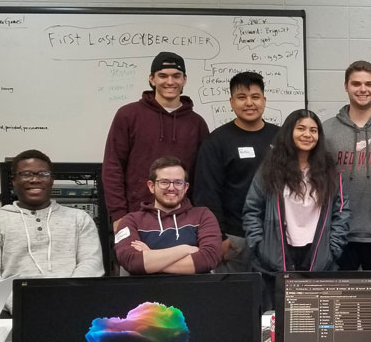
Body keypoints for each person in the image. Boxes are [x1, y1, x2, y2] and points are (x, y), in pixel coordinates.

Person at [243, 110, 350, 309]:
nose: (307, 134)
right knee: (277, 317)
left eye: (313, 130)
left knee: (313, 318)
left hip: (317, 253)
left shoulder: (330, 171)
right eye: (300, 128)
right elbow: (252, 209)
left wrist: (333, 249)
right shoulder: (270, 168)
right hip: (276, 253)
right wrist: (259, 244)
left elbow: (342, 212)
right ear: (289, 132)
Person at [0, 150, 104, 313]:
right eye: (26, 174)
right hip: (15, 311)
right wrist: (20, 306)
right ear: (14, 180)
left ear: (51, 180)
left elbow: (92, 264)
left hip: (72, 305)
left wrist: (68, 299)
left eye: (43, 174)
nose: (35, 180)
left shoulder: (79, 218)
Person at [103, 51, 209, 231]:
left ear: (184, 79)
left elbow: (203, 177)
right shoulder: (128, 115)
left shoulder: (196, 123)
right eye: (163, 76)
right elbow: (113, 167)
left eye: (176, 76)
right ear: (152, 79)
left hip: (184, 221)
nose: (170, 82)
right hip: (135, 216)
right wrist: (119, 214)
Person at [193, 71, 279, 272]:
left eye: (255, 97)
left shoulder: (281, 137)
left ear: (264, 100)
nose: (249, 103)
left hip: (274, 236)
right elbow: (207, 194)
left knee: (273, 299)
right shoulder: (216, 142)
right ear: (231, 102)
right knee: (235, 299)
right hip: (234, 239)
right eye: (242, 97)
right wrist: (218, 237)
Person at [323, 61, 371, 270]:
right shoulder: (326, 130)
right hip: (338, 232)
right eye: (356, 83)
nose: (363, 89)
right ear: (346, 86)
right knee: (339, 300)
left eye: (369, 83)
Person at [114, 156, 222, 275]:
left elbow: (209, 259)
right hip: (147, 292)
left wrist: (150, 257)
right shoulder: (131, 221)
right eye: (164, 182)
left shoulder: (203, 215)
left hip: (195, 291)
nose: (171, 188)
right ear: (151, 186)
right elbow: (131, 261)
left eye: (178, 182)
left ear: (185, 187)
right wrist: (185, 249)